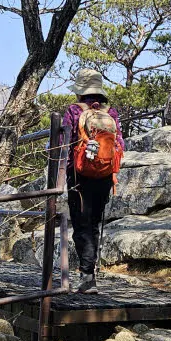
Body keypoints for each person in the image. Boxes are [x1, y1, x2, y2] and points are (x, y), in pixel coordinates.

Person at [63, 69, 125, 292]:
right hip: (105, 175)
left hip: (80, 175)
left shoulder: (74, 110)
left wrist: (62, 172)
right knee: (95, 224)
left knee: (81, 224)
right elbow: (120, 144)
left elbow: (65, 143)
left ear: (80, 91)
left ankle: (87, 277)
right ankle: (91, 273)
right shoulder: (112, 113)